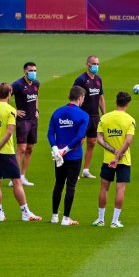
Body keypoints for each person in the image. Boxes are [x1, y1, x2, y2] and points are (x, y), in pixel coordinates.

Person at [0, 82, 41, 222]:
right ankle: (25, 212)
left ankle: (0, 213)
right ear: (9, 94)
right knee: (17, 181)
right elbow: (9, 132)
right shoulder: (11, 110)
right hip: (6, 151)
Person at [93, 91, 136, 228]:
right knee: (120, 189)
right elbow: (128, 141)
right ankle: (115, 221)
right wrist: (118, 156)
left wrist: (112, 152)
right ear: (128, 104)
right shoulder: (130, 120)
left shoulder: (105, 118)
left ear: (115, 101)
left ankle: (100, 219)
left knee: (104, 188)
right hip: (123, 160)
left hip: (108, 160)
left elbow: (99, 138)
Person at [48, 86, 89, 226]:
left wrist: (56, 150)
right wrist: (64, 151)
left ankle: (54, 216)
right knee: (71, 186)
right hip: (74, 156)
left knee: (58, 184)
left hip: (58, 157)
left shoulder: (57, 112)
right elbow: (79, 137)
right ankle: (65, 218)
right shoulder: (84, 115)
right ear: (80, 98)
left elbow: (49, 133)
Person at [73, 55, 106, 179]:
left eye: (97, 63)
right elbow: (74, 97)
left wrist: (104, 114)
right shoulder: (81, 80)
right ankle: (74, 170)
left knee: (92, 142)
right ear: (87, 64)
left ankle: (86, 170)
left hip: (94, 116)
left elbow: (100, 97)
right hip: (82, 117)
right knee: (79, 142)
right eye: (94, 64)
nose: (96, 66)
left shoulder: (98, 79)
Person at [11, 62, 40, 186]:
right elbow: (4, 98)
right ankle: (14, 177)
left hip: (33, 120)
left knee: (30, 148)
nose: (33, 72)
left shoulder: (36, 84)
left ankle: (22, 176)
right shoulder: (17, 85)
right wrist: (15, 111)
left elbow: (36, 97)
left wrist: (37, 110)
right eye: (30, 70)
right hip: (22, 121)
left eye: (34, 70)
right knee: (21, 148)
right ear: (25, 71)